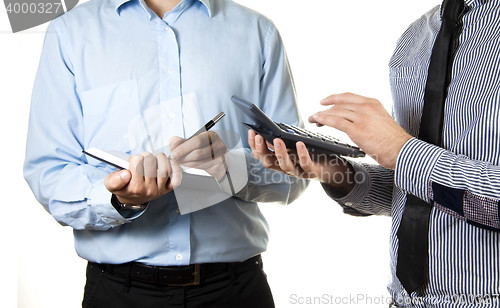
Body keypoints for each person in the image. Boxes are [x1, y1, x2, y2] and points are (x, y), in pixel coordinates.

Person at [23, 0, 308, 306]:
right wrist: (118, 199)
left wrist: (231, 170)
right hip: (118, 294)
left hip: (234, 291)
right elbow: (49, 173)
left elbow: (296, 173)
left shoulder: (257, 32)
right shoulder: (71, 32)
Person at [249, 0, 500, 307]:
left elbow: (412, 162)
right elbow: (414, 192)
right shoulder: (416, 36)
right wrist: (334, 170)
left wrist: (399, 149)